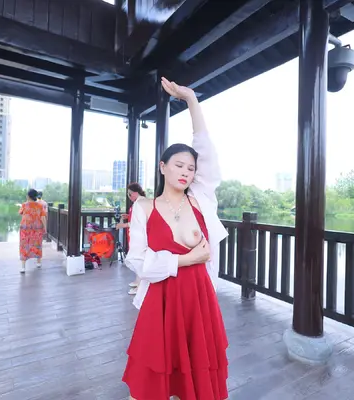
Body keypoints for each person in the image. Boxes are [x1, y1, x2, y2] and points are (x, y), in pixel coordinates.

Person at [122, 77, 229, 400]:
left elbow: (205, 150)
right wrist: (185, 259)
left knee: (195, 372)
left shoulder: (200, 199)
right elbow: (136, 259)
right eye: (179, 165)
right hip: (162, 298)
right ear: (163, 167)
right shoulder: (144, 207)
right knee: (155, 376)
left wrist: (191, 100)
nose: (186, 172)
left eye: (191, 168)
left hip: (199, 297)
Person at [116, 183, 146, 295]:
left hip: (140, 236)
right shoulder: (139, 202)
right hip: (135, 235)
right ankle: (138, 281)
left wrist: (123, 225)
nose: (129, 196)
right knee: (138, 259)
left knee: (139, 259)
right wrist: (128, 216)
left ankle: (141, 286)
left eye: (130, 194)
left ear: (135, 193)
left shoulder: (140, 203)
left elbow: (139, 222)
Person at [18, 188, 47, 273]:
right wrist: (45, 228)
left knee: (24, 246)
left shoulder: (24, 205)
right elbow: (43, 218)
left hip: (25, 228)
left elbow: (20, 213)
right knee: (37, 244)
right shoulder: (40, 206)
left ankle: (23, 267)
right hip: (37, 228)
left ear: (28, 196)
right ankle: (38, 263)